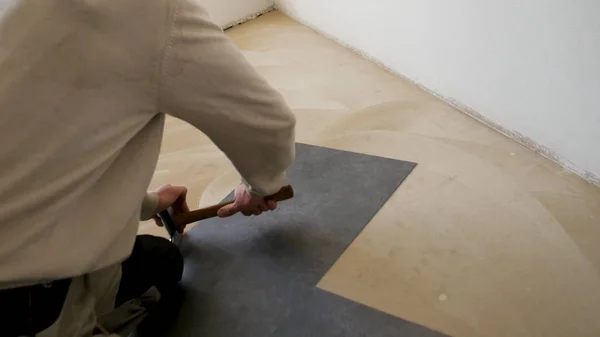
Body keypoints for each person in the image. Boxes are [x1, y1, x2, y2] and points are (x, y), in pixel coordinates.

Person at [0, 0, 296, 336]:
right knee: (159, 269)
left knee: (156, 258)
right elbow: (269, 125)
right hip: (24, 290)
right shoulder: (152, 12)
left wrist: (149, 203)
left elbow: (42, 154)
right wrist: (258, 189)